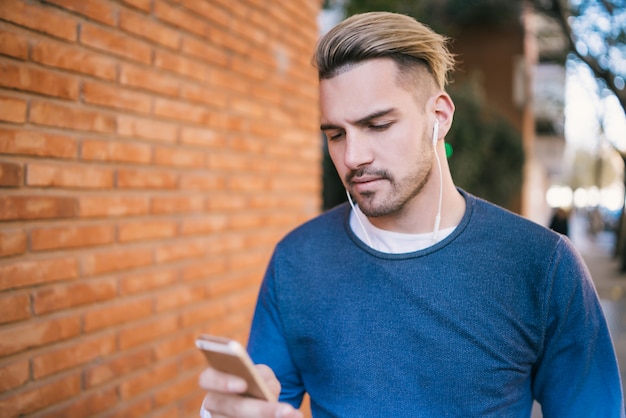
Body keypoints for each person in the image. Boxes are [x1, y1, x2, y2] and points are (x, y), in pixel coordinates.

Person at [198, 11, 624, 417]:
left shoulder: (541, 265)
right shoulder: (297, 260)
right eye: (335, 134)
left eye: (378, 125)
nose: (352, 156)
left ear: (438, 117)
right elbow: (266, 404)